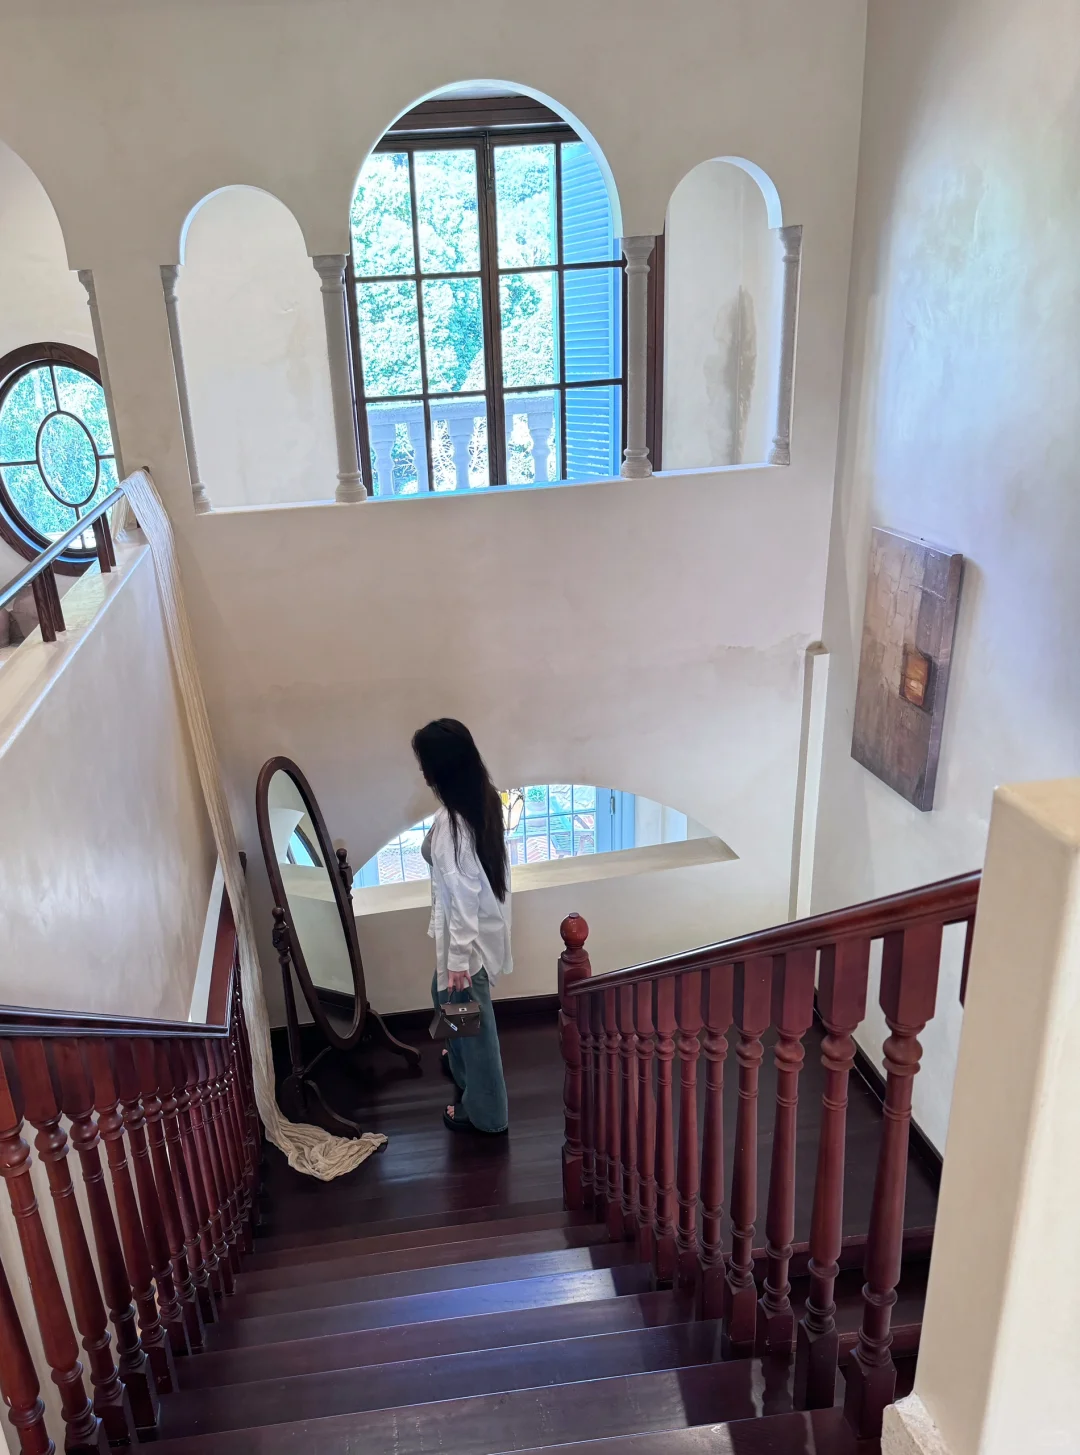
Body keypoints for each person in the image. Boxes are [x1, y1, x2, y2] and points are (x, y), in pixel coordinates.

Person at [413, 719, 512, 1135]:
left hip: (466, 945)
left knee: (474, 1025)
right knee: (446, 1000)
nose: (422, 772)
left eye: (424, 763)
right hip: (471, 937)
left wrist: (457, 961)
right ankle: (459, 1061)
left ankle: (486, 1113)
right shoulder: (479, 800)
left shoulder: (454, 829)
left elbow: (465, 900)